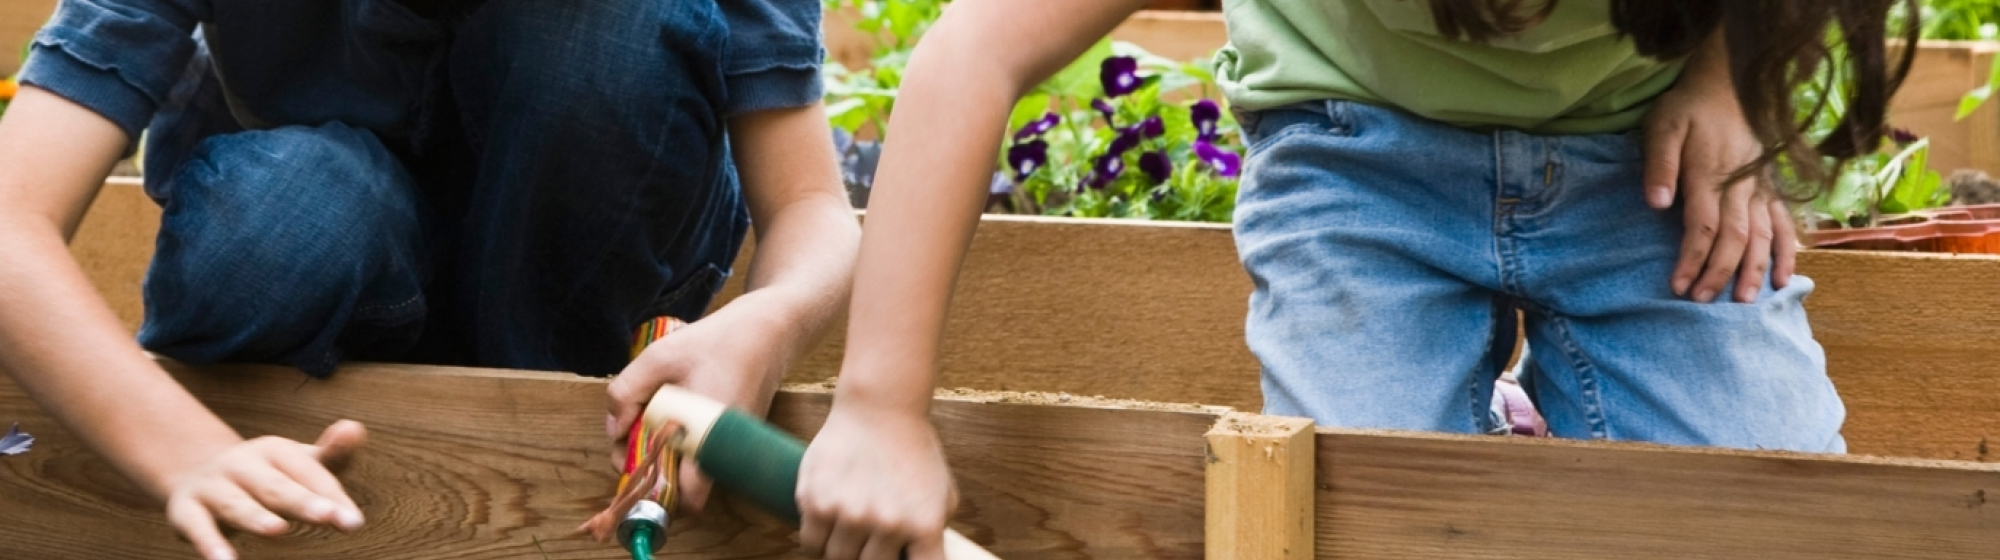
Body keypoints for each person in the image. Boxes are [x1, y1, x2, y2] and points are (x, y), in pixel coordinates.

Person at [793, 1, 1917, 559]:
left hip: (1643, 165)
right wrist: (879, 404)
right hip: (1354, 161)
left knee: (1786, 517)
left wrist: (1728, 77)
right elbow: (968, 50)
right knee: (1361, 517)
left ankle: (1514, 418)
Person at [0, 0, 858, 559]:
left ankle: (528, 413)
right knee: (275, 226)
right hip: (342, 276)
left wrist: (771, 321)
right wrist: (180, 447)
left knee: (614, 23)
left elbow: (811, 202)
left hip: (579, 280)